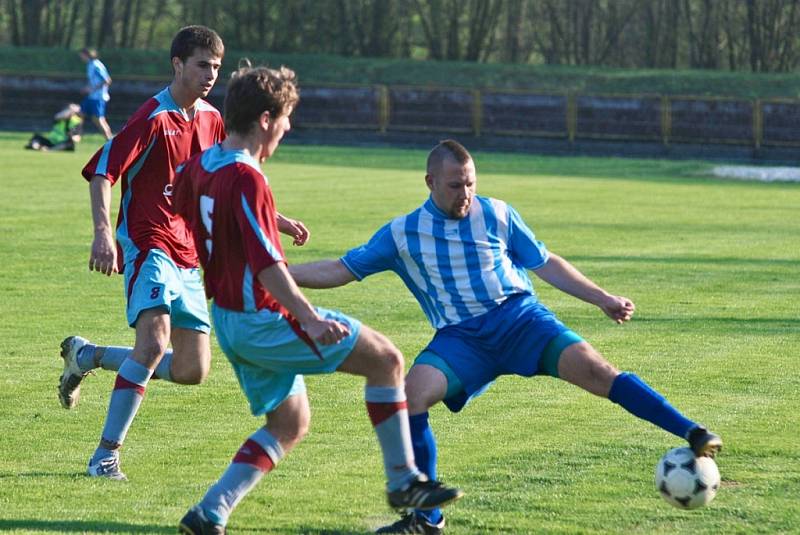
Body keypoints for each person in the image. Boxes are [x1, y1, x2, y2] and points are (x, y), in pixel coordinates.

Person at [288, 139, 724, 534]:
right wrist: (279, 276)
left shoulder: (497, 213)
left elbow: (545, 262)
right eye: (455, 185)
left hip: (521, 321)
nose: (465, 194)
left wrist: (601, 297)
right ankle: (427, 521)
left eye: (471, 184)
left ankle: (692, 432)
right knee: (410, 395)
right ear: (430, 182)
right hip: (461, 340)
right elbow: (340, 270)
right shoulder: (402, 233)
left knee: (599, 371)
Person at [172, 65, 463, 535]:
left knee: (289, 422)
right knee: (387, 359)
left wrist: (270, 222)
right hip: (261, 317)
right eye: (286, 120)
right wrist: (307, 318)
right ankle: (404, 482)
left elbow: (192, 209)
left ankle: (210, 513)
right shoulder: (248, 179)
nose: (287, 131)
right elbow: (269, 270)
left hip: (226, 317)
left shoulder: (201, 165)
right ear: (266, 119)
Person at [58, 26, 237, 481]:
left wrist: (276, 219)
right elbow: (102, 171)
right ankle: (104, 456)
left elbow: (219, 181)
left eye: (216, 67)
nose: (211, 74)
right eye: (202, 65)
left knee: (191, 369)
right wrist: (103, 233)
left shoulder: (212, 119)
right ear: (177, 65)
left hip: (188, 250)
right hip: (148, 240)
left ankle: (89, 356)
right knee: (155, 344)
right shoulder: (152, 116)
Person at [78, 47, 114, 140]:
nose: (80, 57)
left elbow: (107, 80)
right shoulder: (90, 65)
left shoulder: (96, 65)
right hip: (91, 97)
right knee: (80, 113)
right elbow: (93, 81)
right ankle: (77, 136)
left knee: (98, 119)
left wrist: (92, 89)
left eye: (81, 55)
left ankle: (110, 140)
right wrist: (87, 88)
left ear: (86, 54)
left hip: (98, 97)